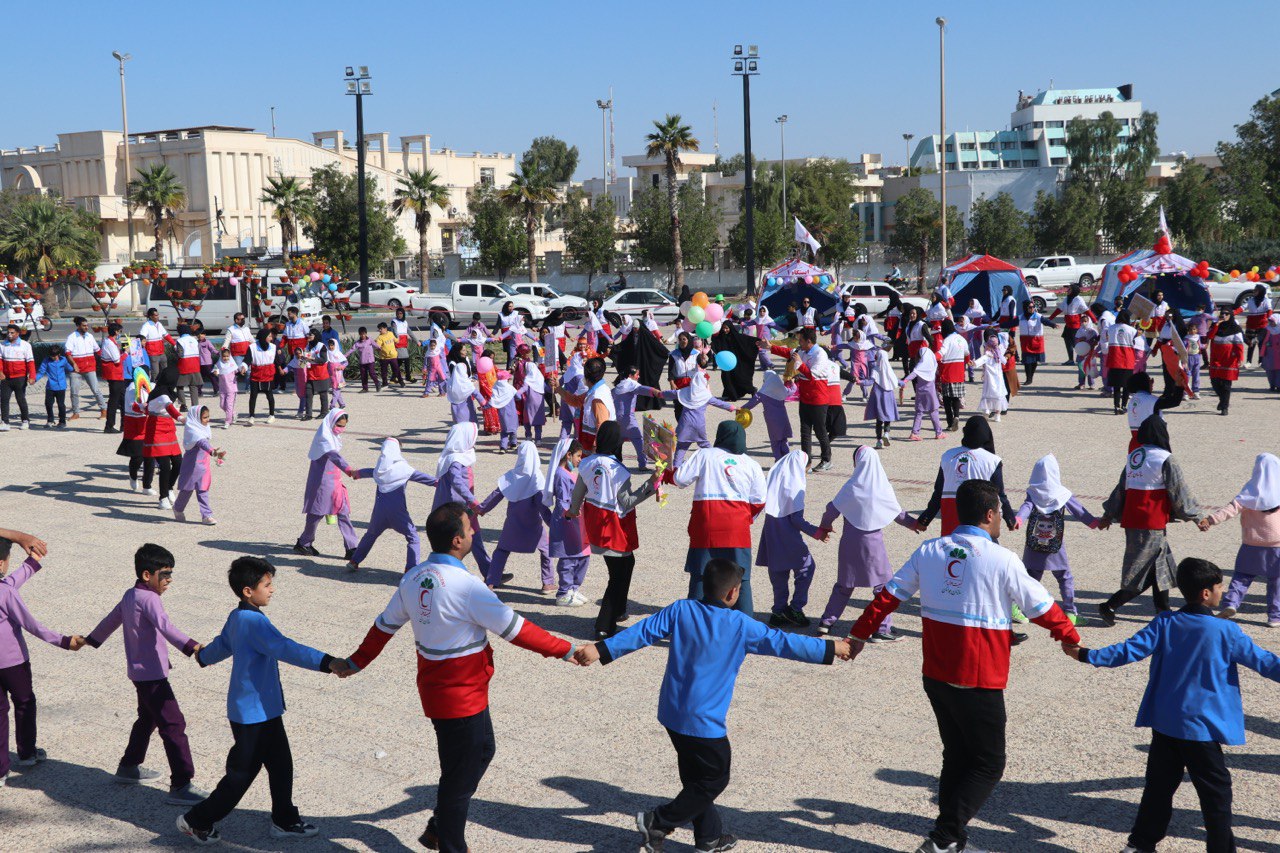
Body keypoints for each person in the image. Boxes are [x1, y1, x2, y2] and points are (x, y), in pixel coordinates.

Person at [847, 479, 1080, 853]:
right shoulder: (1001, 558)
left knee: (956, 754)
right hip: (979, 675)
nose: (1002, 520)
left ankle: (952, 838)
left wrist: (858, 636)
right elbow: (1041, 607)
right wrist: (1069, 637)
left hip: (936, 673)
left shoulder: (929, 551)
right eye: (1000, 514)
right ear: (990, 515)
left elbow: (887, 596)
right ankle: (941, 839)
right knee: (989, 763)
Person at [340, 502, 577, 853]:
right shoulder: (467, 587)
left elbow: (382, 628)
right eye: (470, 529)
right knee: (457, 779)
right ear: (456, 541)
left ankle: (440, 825)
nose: (474, 533)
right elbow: (519, 631)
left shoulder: (413, 578)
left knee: (482, 751)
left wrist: (356, 662)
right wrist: (568, 650)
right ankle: (450, 844)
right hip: (460, 697)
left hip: (445, 692)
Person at [576, 558, 849, 853]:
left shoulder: (680, 609)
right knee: (715, 779)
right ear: (733, 593)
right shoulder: (741, 625)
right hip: (704, 721)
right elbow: (786, 643)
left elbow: (641, 633)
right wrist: (832, 647)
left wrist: (600, 649)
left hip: (671, 712)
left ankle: (709, 837)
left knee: (695, 779)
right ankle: (658, 821)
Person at [1063, 557, 1280, 853]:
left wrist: (1086, 654)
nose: (1222, 592)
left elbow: (1128, 651)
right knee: (1216, 797)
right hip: (1201, 729)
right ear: (1206, 593)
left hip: (1166, 723)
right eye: (1219, 587)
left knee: (1158, 789)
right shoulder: (1226, 632)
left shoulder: (1165, 623)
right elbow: (1264, 662)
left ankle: (1140, 844)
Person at [177, 557, 346, 844]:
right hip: (252, 715)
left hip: (262, 710)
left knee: (281, 765)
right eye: (267, 585)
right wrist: (328, 662)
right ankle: (197, 820)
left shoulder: (238, 616)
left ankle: (284, 819)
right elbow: (286, 648)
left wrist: (203, 657)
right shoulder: (254, 622)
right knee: (240, 776)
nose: (272, 590)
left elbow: (221, 644)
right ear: (247, 591)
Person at [83, 543, 205, 805]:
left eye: (171, 574)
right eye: (165, 574)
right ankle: (182, 784)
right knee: (173, 725)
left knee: (147, 718)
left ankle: (129, 766)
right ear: (147, 575)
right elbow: (166, 627)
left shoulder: (131, 594)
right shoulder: (150, 599)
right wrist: (193, 647)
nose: (169, 580)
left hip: (139, 673)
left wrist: (92, 639)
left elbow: (111, 620)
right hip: (151, 675)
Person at [1097, 416, 1204, 625]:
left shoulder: (1134, 456)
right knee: (1143, 568)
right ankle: (1110, 605)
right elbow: (1179, 490)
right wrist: (1196, 516)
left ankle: (1163, 610)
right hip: (1151, 520)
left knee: (1159, 564)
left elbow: (1121, 489)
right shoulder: (1165, 458)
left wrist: (1109, 514)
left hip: (1133, 518)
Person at [0, 533, 83, 786]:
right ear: (2, 563)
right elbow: (31, 624)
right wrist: (63, 640)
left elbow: (10, 583)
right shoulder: (5, 593)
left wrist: (32, 564)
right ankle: (26, 753)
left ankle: (1, 770)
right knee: (24, 702)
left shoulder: (5, 589)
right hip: (14, 663)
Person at [568, 421, 660, 639]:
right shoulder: (619, 471)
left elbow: (578, 493)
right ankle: (604, 624)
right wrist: (651, 483)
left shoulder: (588, 462)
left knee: (625, 565)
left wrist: (572, 511)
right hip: (614, 527)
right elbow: (627, 502)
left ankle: (619, 610)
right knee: (618, 575)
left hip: (595, 523)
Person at [815, 445, 914, 638]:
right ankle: (882, 629)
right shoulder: (881, 486)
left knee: (844, 585)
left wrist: (825, 526)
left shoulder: (851, 486)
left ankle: (826, 622)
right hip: (872, 545)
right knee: (882, 586)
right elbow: (898, 514)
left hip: (849, 544)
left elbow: (831, 509)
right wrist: (915, 524)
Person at [671, 421, 766, 615]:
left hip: (706, 523)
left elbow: (680, 480)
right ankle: (747, 632)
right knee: (741, 579)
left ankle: (693, 626)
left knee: (700, 575)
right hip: (737, 528)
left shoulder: (705, 455)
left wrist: (665, 470)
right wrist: (745, 519)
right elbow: (760, 500)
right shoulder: (752, 464)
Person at [1013, 454, 1100, 626]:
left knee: (1030, 577)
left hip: (1034, 543)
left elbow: (1026, 507)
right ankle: (1069, 611)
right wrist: (1095, 522)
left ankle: (1017, 607)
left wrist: (1019, 519)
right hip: (1055, 544)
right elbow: (1079, 511)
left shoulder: (1033, 492)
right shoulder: (1062, 494)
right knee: (1065, 576)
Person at [1200, 453, 1280, 626]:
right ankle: (1275, 616)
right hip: (1277, 545)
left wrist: (1211, 519)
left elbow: (1230, 509)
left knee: (1242, 576)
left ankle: (1231, 603)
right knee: (1277, 581)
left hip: (1251, 543)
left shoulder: (1250, 490)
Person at [346, 438, 437, 572]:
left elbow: (367, 472)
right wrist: (444, 483)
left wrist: (356, 473)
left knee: (370, 534)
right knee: (413, 538)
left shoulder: (379, 470)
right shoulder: (404, 469)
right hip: (398, 513)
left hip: (379, 513)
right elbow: (428, 480)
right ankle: (410, 568)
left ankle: (354, 561)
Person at [915, 416, 1016, 536]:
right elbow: (999, 494)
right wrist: (1010, 519)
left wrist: (925, 520)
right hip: (980, 513)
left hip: (951, 510)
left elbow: (938, 492)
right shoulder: (992, 460)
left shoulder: (948, 456)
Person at [758, 450, 823, 627]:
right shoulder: (795, 485)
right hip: (789, 537)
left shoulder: (775, 480)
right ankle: (795, 608)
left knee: (778, 573)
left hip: (771, 534)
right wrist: (816, 532)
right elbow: (796, 519)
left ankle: (778, 611)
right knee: (806, 567)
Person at [477, 441, 551, 591]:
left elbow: (496, 494)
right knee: (546, 550)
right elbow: (542, 506)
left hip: (513, 522)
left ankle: (491, 582)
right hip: (533, 523)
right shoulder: (536, 478)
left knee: (502, 550)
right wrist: (553, 523)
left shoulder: (512, 476)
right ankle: (547, 583)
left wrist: (483, 508)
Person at [766, 327, 838, 471]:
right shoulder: (803, 351)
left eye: (801, 340)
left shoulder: (820, 354)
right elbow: (788, 352)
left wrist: (799, 363)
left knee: (820, 431)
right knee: (804, 432)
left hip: (818, 399)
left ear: (809, 341)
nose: (798, 343)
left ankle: (826, 459)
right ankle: (807, 462)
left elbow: (813, 375)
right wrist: (770, 347)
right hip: (805, 398)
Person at [293, 409, 359, 560]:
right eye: (339, 426)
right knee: (316, 514)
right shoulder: (324, 439)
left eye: (343, 426)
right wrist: (349, 470)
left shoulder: (332, 436)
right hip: (322, 484)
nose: (341, 429)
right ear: (331, 423)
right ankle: (304, 542)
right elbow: (334, 456)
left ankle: (352, 547)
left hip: (335, 482)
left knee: (344, 513)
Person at [432, 421, 495, 579]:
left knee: (476, 538)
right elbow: (457, 482)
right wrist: (473, 502)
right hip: (455, 509)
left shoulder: (460, 456)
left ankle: (490, 573)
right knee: (449, 543)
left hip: (464, 507)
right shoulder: (455, 459)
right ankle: (440, 573)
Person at [650, 359, 735, 466]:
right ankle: (717, 462)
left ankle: (676, 467)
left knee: (681, 446)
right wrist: (733, 407)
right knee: (705, 444)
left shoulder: (685, 392)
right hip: (699, 424)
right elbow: (719, 403)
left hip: (685, 424)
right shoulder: (706, 395)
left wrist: (660, 394)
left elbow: (671, 393)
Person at [172, 405, 223, 525]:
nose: (208, 420)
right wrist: (212, 451)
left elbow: (204, 441)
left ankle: (206, 515)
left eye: (208, 416)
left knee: (203, 489)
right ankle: (178, 508)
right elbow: (201, 442)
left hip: (203, 466)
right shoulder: (192, 429)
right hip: (192, 466)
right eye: (205, 417)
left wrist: (213, 452)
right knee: (186, 490)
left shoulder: (202, 427)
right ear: (196, 418)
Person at [142, 370, 184, 510]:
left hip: (169, 429)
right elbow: (169, 407)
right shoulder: (162, 394)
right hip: (157, 429)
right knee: (165, 466)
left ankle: (169, 487)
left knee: (179, 462)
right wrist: (180, 418)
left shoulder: (166, 392)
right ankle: (163, 498)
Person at [739, 370, 793, 460]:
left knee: (775, 441)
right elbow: (792, 391)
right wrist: (792, 383)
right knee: (784, 439)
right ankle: (786, 459)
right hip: (783, 417)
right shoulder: (782, 389)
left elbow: (752, 403)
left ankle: (778, 459)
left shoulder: (763, 392)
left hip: (771, 419)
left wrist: (741, 409)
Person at [64, 315, 106, 419]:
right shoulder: (71, 337)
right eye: (84, 325)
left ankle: (103, 409)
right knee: (74, 392)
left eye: (87, 325)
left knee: (96, 390)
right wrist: (74, 364)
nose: (86, 327)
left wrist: (106, 359)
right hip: (76, 370)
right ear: (78, 326)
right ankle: (76, 412)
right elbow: (68, 353)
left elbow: (98, 350)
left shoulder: (90, 336)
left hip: (90, 368)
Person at [862, 338, 900, 449]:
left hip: (877, 395)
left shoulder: (876, 369)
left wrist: (860, 381)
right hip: (888, 395)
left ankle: (878, 440)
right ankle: (886, 434)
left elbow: (870, 381)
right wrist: (904, 382)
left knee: (879, 419)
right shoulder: (888, 369)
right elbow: (896, 380)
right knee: (888, 415)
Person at [901, 343, 944, 441]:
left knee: (919, 412)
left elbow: (913, 374)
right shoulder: (932, 364)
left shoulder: (920, 365)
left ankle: (914, 432)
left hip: (920, 391)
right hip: (930, 392)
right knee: (933, 411)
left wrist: (905, 381)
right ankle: (939, 432)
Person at [1207, 308, 1245, 416]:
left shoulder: (1236, 328)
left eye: (1226, 314)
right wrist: (1217, 325)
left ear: (1230, 315)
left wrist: (1240, 358)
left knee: (1226, 386)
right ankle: (1222, 400)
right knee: (1214, 382)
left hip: (1229, 360)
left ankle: (1224, 407)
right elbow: (1209, 337)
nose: (1224, 315)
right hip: (1216, 359)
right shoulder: (1215, 326)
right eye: (1222, 313)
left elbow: (1239, 346)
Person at [1046, 284, 1096, 364]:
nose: (1067, 291)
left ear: (1074, 291)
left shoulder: (1078, 299)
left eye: (1069, 289)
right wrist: (1050, 318)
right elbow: (1059, 309)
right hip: (1068, 324)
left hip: (1075, 325)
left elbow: (1086, 310)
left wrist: (1094, 320)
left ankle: (1083, 358)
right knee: (1067, 341)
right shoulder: (1066, 299)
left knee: (1075, 343)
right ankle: (1070, 359)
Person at [1104, 310, 1142, 414]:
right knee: (1127, 385)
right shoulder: (1131, 330)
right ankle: (1124, 406)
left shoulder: (1111, 328)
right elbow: (1139, 333)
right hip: (1127, 359)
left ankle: (1116, 407)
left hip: (1114, 358)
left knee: (1116, 386)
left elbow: (1106, 337)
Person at [0, 323, 35, 431]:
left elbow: (30, 362)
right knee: (4, 399)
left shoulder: (25, 345)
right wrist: (0, 372)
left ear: (18, 333)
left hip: (20, 378)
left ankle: (25, 420)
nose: (9, 335)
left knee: (20, 399)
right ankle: (5, 422)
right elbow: (0, 360)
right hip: (6, 378)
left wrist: (32, 376)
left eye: (12, 333)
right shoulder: (2, 345)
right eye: (8, 332)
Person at [936, 320, 969, 432]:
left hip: (948, 372)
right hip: (959, 372)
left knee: (946, 399)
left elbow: (941, 353)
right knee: (956, 398)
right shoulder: (961, 339)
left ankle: (950, 422)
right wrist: (967, 363)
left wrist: (930, 357)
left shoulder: (947, 340)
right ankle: (957, 416)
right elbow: (967, 354)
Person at [971, 332, 1010, 421]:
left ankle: (987, 412)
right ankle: (997, 415)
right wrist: (999, 333)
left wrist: (973, 363)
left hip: (990, 379)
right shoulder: (999, 353)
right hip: (998, 379)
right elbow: (1006, 339)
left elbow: (979, 361)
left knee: (988, 395)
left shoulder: (988, 354)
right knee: (998, 396)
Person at [1017, 301, 1055, 385]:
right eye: (1030, 307)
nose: (1032, 308)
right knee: (1027, 361)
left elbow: (1046, 321)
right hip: (1025, 342)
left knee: (1034, 361)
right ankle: (1028, 378)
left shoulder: (1038, 316)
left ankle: (1031, 376)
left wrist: (1053, 325)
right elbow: (1010, 323)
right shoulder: (1020, 317)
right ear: (1025, 308)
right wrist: (999, 325)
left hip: (1037, 341)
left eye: (1033, 307)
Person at [245, 328, 278, 425]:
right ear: (264, 337)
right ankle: (251, 416)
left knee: (269, 395)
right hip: (256, 374)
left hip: (268, 373)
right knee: (253, 396)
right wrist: (243, 367)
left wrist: (281, 368)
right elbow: (247, 359)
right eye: (269, 336)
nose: (271, 338)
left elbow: (276, 360)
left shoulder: (273, 347)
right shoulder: (252, 347)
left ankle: (272, 415)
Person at [101, 322, 128, 433]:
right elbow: (117, 360)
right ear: (116, 332)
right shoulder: (110, 343)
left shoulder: (110, 342)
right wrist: (126, 353)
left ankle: (124, 425)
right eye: (119, 332)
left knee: (122, 399)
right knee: (114, 401)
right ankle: (109, 426)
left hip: (117, 375)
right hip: (114, 375)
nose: (120, 334)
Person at [35, 350, 70, 429]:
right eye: (52, 356)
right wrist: (34, 379)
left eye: (55, 356)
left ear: (59, 354)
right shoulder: (46, 361)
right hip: (50, 386)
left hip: (61, 386)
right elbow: (41, 372)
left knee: (61, 404)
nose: (53, 358)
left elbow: (69, 367)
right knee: (48, 403)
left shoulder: (63, 359)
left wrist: (74, 370)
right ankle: (50, 420)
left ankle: (62, 421)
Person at [172, 324, 204, 410]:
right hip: (195, 364)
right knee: (193, 386)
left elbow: (180, 354)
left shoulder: (180, 341)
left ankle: (183, 405)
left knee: (180, 386)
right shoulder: (194, 340)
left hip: (184, 365)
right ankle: (195, 405)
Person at [486, 370, 519, 452]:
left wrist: (483, 407)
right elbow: (519, 397)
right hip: (512, 411)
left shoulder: (496, 388)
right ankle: (513, 443)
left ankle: (503, 447)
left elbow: (492, 401)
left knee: (504, 430)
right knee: (513, 428)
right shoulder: (510, 388)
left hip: (502, 413)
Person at [139, 307, 175, 377]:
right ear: (150, 316)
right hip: (152, 354)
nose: (157, 317)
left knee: (165, 370)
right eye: (155, 315)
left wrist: (174, 344)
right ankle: (154, 385)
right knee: (155, 372)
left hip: (161, 352)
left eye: (158, 315)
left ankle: (164, 385)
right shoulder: (146, 326)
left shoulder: (159, 324)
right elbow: (141, 338)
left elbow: (166, 335)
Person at [352, 326, 379, 392]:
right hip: (362, 362)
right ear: (359, 334)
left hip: (370, 361)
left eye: (364, 334)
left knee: (372, 373)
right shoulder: (357, 343)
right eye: (361, 334)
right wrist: (344, 356)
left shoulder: (370, 340)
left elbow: (376, 345)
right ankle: (365, 388)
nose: (363, 335)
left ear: (366, 333)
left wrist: (381, 349)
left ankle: (377, 383)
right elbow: (351, 350)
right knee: (363, 375)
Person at [374, 322, 401, 388]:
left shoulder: (391, 334)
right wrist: (376, 346)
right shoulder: (379, 338)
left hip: (393, 356)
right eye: (379, 329)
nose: (380, 330)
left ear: (385, 328)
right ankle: (385, 383)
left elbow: (396, 340)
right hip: (384, 357)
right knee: (384, 371)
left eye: (381, 329)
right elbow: (378, 347)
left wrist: (398, 339)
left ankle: (401, 381)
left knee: (396, 369)